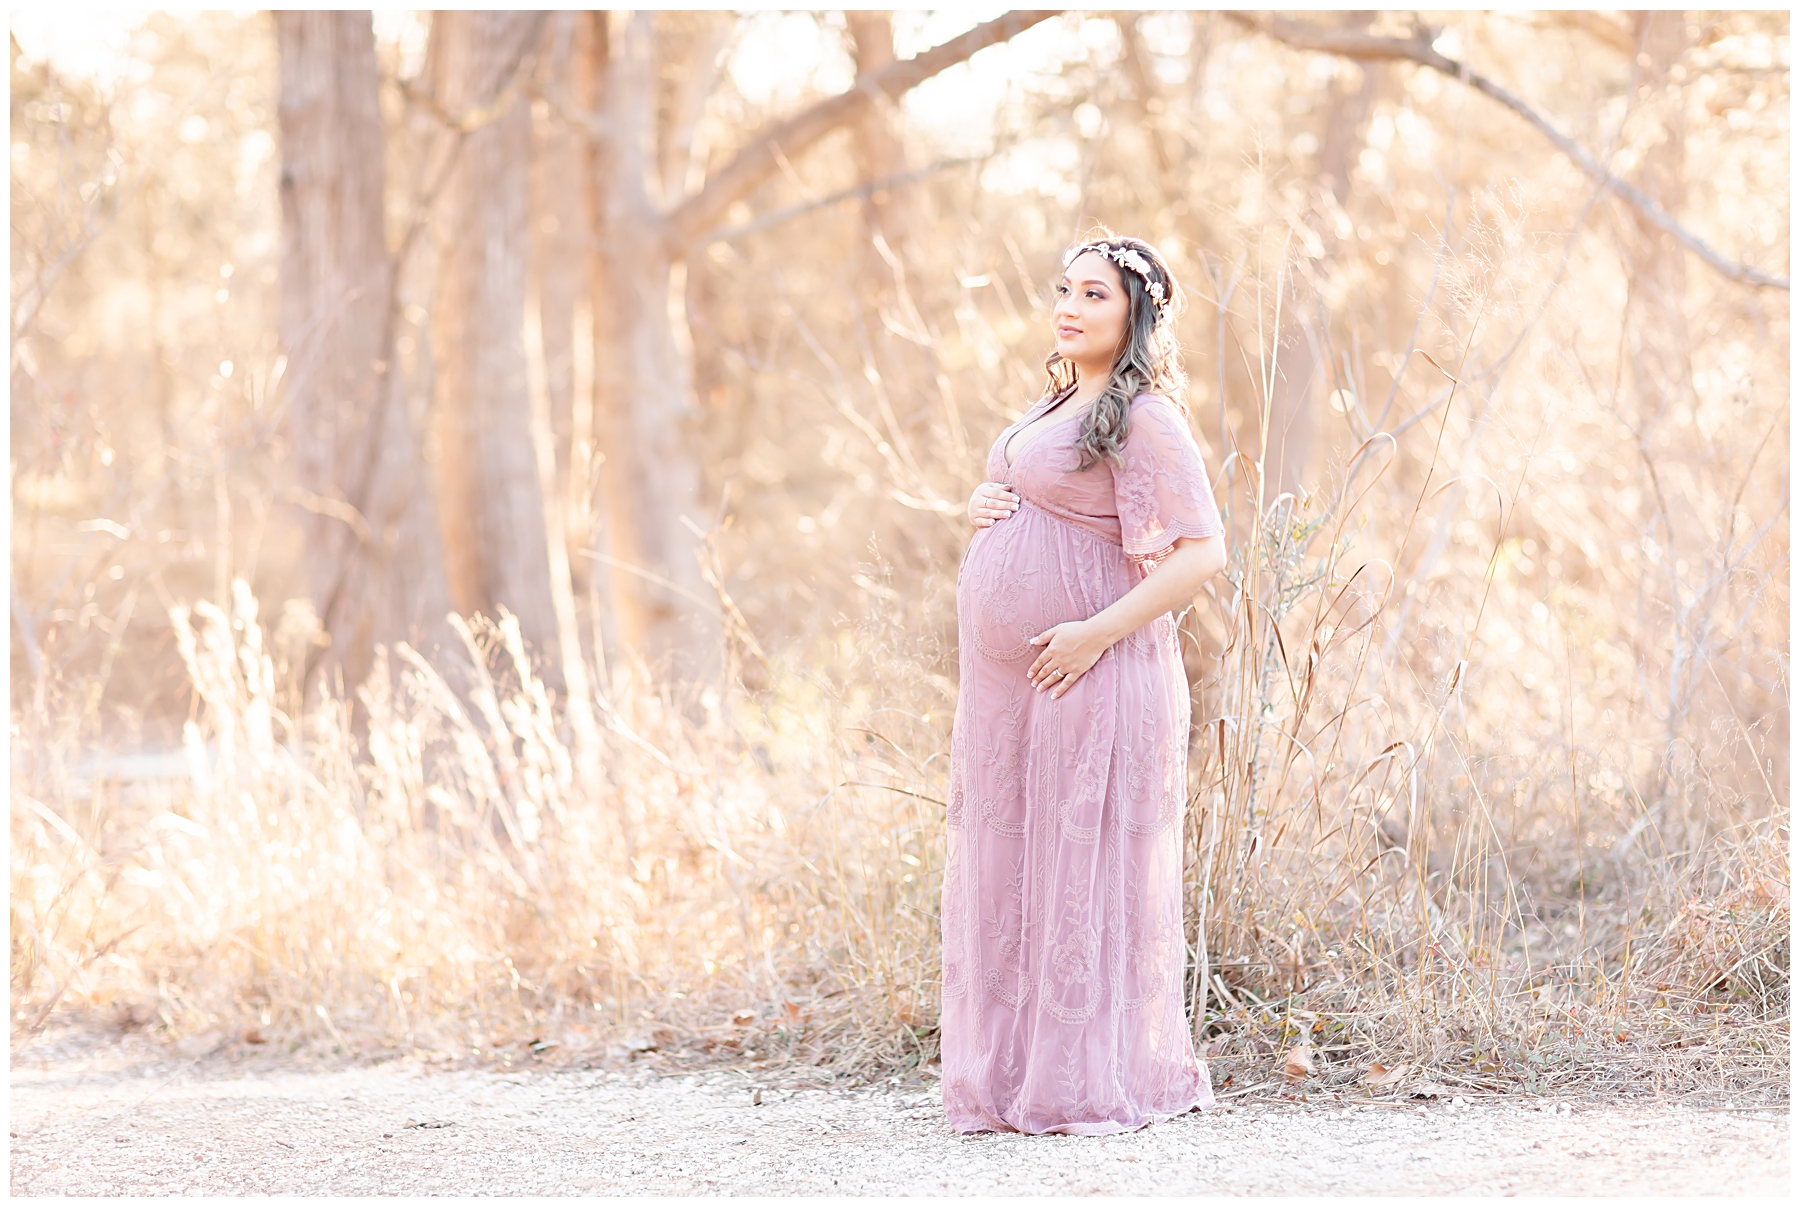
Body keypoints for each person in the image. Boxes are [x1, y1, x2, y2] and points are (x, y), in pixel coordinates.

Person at [940, 232, 1227, 1135]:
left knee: (1082, 873)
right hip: (1015, 688)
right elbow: (1050, 502)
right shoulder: (1060, 401)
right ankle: (1016, 1078)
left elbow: (1203, 553)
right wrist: (983, 505)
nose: (1068, 306)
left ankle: (1084, 1081)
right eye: (1064, 289)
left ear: (1135, 314)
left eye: (1094, 295)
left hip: (1092, 677)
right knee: (1015, 868)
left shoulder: (1148, 416)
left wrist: (1094, 636)